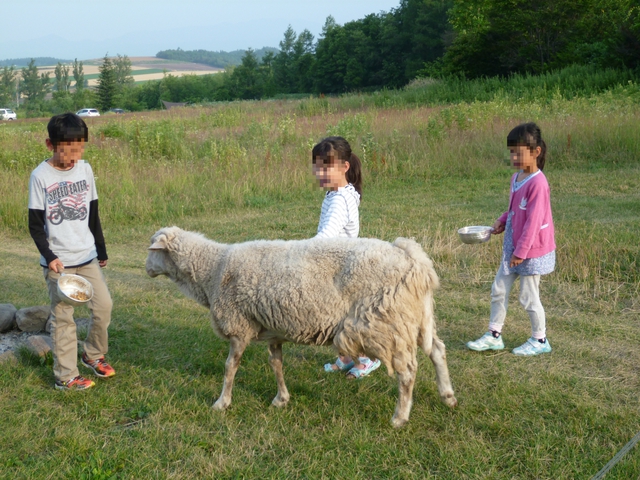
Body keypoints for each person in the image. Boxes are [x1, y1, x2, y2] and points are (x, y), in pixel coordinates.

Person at [28, 113, 115, 390]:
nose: (74, 155)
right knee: (64, 318)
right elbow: (35, 225)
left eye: (79, 148)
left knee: (103, 307)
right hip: (60, 263)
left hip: (86, 255)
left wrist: (100, 249)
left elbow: (93, 213)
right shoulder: (40, 176)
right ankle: (66, 377)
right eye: (68, 150)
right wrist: (50, 257)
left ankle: (93, 354)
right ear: (50, 145)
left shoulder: (85, 170)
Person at [467, 122, 556, 356]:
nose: (514, 157)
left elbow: (534, 221)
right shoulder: (517, 177)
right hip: (513, 248)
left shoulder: (538, 183)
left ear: (536, 152)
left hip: (529, 250)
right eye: (511, 152)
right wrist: (502, 220)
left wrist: (521, 252)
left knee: (528, 296)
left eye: (519, 152)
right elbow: (517, 209)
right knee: (498, 289)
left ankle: (540, 339)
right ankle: (494, 335)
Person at [312, 136, 381, 378]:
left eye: (327, 167)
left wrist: (299, 252)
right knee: (337, 317)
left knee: (347, 319)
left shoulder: (341, 199)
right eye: (318, 166)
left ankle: (367, 359)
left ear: (344, 167)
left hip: (344, 270)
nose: (321, 172)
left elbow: (327, 235)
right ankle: (346, 356)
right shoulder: (339, 193)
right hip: (337, 266)